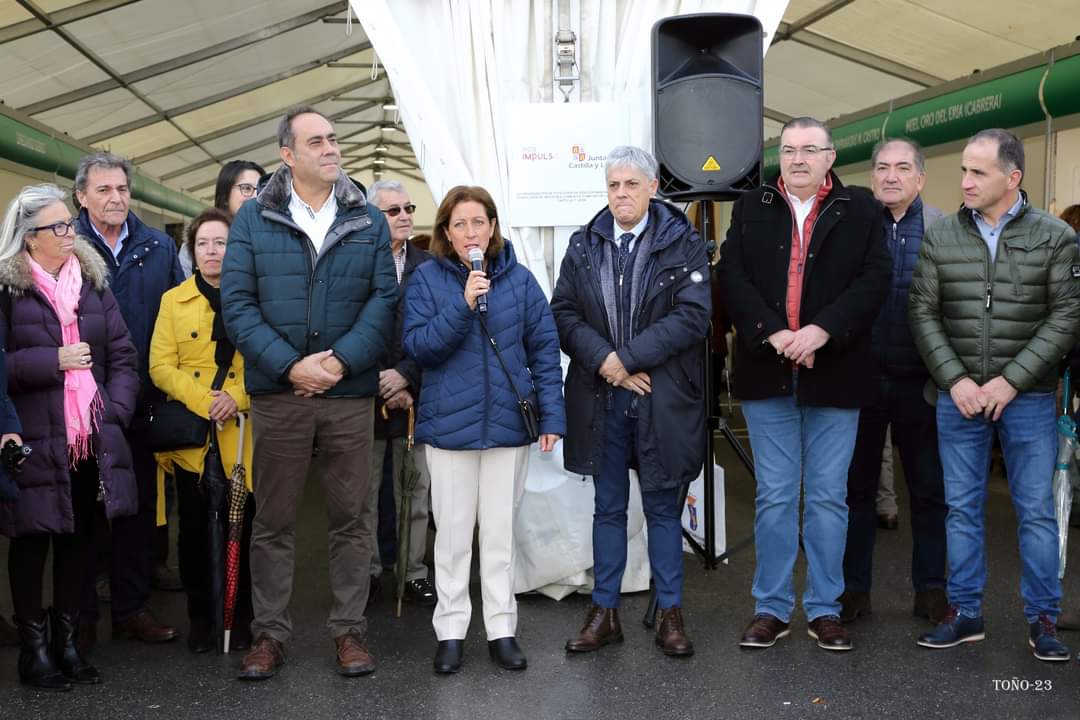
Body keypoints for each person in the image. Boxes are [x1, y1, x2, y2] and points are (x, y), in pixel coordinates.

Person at [222, 105, 397, 680]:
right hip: (280, 394)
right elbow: (238, 305)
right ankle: (269, 636)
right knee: (273, 521)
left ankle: (350, 633)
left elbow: (383, 301)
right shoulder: (253, 219)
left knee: (352, 518)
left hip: (348, 396)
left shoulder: (368, 219)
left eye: (333, 139)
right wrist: (291, 366)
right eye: (316, 141)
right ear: (287, 155)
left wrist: (341, 361)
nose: (330, 148)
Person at [718, 116, 890, 652]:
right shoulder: (751, 207)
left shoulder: (860, 208)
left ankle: (823, 607)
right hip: (767, 370)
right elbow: (732, 276)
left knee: (828, 498)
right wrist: (771, 333)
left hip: (835, 372)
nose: (797, 159)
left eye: (809, 150)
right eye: (788, 149)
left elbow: (874, 279)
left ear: (830, 158)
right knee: (772, 496)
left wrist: (821, 331)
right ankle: (771, 608)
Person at [909, 128, 1080, 662]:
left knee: (1035, 511)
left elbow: (1067, 316)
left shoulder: (1055, 236)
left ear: (1013, 177)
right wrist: (956, 379)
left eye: (977, 172)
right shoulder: (941, 235)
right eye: (963, 169)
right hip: (956, 395)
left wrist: (1011, 380)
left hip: (1026, 397)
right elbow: (922, 311)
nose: (964, 181)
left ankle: (1043, 620)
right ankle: (965, 614)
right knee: (960, 509)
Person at [552, 145, 710, 658]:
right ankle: (605, 612)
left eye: (631, 185)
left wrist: (629, 358)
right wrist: (607, 363)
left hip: (661, 397)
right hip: (602, 397)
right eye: (614, 185)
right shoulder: (584, 244)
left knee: (664, 509)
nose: (621, 194)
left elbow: (693, 317)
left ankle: (670, 613)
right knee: (609, 509)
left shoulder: (683, 243)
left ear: (652, 187)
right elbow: (564, 314)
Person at [403, 185, 565, 674]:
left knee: (499, 536)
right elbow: (419, 347)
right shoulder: (427, 280)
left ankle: (502, 629)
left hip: (506, 428)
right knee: (451, 538)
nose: (470, 232)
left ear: (492, 227)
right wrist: (462, 303)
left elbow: (544, 350)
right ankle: (450, 631)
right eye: (459, 224)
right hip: (449, 431)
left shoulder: (519, 280)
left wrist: (552, 417)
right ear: (446, 233)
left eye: (478, 221)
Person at [0, 183, 139, 689]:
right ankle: (33, 650)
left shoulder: (94, 284)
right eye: (57, 227)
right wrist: (52, 361)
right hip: (34, 437)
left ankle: (68, 642)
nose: (69, 234)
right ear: (29, 237)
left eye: (69, 225)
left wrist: (114, 414)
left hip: (88, 440)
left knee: (81, 541)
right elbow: (0, 368)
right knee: (33, 540)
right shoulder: (8, 289)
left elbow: (123, 356)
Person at [73, 152, 183, 650]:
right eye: (103, 190)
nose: (115, 198)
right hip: (78, 405)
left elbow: (178, 317)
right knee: (82, 512)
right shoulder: (63, 244)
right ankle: (79, 618)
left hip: (140, 401)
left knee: (136, 510)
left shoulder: (158, 246)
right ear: (81, 197)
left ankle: (132, 609)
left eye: (121, 189)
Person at [840, 138, 949, 626]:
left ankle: (931, 590)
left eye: (902, 168)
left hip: (922, 383)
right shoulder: (853, 228)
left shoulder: (945, 230)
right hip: (860, 380)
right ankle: (853, 591)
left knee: (928, 490)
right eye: (881, 167)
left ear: (920, 179)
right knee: (855, 490)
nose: (890, 176)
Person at [149, 208, 255, 654]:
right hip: (194, 436)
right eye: (204, 244)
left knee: (244, 530)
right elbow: (159, 365)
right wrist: (204, 401)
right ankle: (201, 619)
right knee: (192, 534)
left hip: (241, 437)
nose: (213, 252)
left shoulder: (253, 298)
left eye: (222, 243)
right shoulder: (174, 300)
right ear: (191, 251)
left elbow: (269, 361)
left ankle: (242, 619)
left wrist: (239, 398)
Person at [364, 179, 434, 607]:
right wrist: (378, 379)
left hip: (415, 397)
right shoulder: (354, 264)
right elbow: (344, 328)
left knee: (416, 492)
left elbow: (440, 330)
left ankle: (414, 572)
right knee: (363, 497)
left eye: (408, 208)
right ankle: (369, 572)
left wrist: (406, 377)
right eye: (394, 210)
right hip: (365, 397)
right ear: (373, 217)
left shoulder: (429, 266)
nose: (406, 215)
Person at [178, 161, 266, 277]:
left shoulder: (272, 240)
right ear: (225, 195)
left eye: (260, 190)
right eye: (246, 188)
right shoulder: (195, 246)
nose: (255, 196)